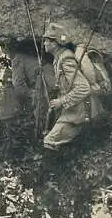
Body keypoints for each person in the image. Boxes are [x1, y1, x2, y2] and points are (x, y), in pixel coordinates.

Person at [42, 23, 104, 151]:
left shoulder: (66, 59)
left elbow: (83, 88)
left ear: (55, 43)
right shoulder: (58, 58)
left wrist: (61, 101)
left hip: (81, 110)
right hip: (74, 108)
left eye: (46, 41)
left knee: (49, 141)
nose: (44, 44)